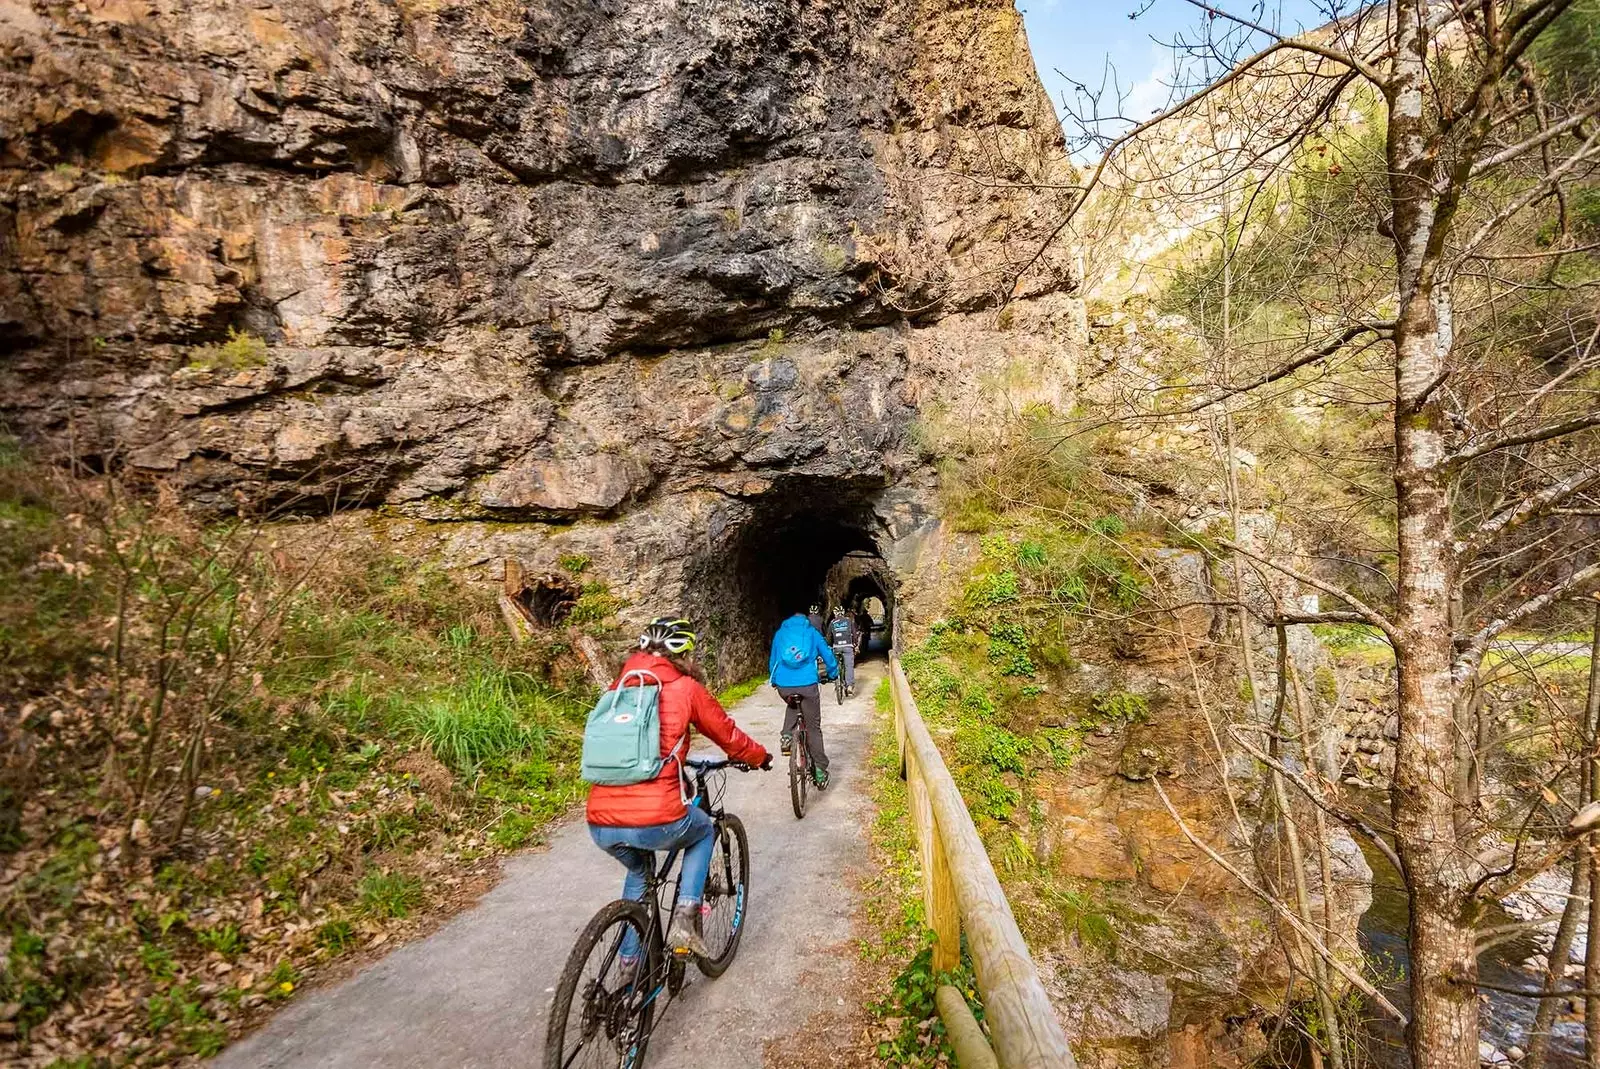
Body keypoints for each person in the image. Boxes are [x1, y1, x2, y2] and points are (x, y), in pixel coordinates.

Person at [588, 617, 771, 958]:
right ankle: (686, 919)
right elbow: (728, 736)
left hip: (600, 821)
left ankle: (630, 964)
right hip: (657, 817)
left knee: (640, 872)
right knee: (702, 831)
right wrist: (760, 757)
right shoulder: (686, 688)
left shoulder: (619, 688)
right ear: (684, 653)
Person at [769, 609, 838, 789]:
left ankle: (786, 735)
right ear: (806, 620)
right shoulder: (811, 632)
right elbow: (828, 655)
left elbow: (774, 660)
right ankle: (821, 771)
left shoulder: (780, 633)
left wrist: (775, 680)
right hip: (807, 684)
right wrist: (833, 672)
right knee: (813, 728)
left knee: (792, 704)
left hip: (784, 685)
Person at [826, 605, 857, 696]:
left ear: (835, 614)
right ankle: (850, 685)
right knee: (849, 666)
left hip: (837, 647)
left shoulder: (832, 622)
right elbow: (854, 634)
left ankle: (836, 681)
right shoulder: (849, 621)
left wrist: (830, 645)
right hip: (848, 646)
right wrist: (854, 643)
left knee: (835, 664)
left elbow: (829, 636)